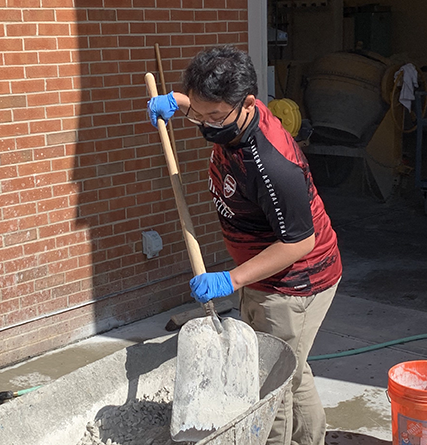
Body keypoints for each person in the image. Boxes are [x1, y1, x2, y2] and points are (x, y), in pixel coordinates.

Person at [148, 45, 342, 445]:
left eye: (214, 117)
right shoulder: (229, 117)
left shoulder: (272, 166)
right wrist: (178, 102)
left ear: (247, 104)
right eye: (197, 114)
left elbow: (299, 242)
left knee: (271, 381)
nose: (204, 124)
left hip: (294, 283)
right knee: (293, 369)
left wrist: (230, 280)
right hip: (263, 273)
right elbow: (207, 106)